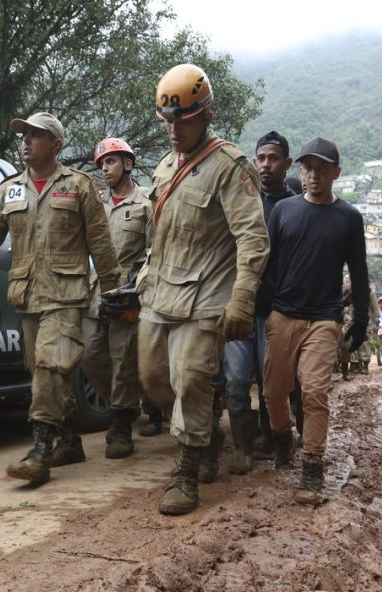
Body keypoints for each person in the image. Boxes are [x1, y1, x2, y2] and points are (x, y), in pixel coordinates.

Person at [0, 113, 120, 486]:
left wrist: (113, 293)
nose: (25, 141)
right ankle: (70, 441)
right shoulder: (10, 190)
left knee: (50, 366)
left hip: (67, 295)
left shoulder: (78, 186)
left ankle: (40, 451)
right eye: (23, 135)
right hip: (28, 296)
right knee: (47, 370)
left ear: (56, 144)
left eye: (35, 136)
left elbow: (101, 244)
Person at [137, 64, 270, 516]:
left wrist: (241, 300)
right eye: (168, 121)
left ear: (206, 116)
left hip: (207, 296)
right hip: (161, 292)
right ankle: (208, 432)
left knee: (191, 379)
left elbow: (253, 239)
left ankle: (186, 472)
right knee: (155, 381)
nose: (174, 130)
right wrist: (141, 276)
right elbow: (159, 233)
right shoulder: (163, 167)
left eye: (184, 120)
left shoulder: (230, 167)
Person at [263, 137, 369, 504]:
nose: (314, 174)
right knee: (274, 393)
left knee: (314, 392)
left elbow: (359, 272)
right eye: (308, 168)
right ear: (301, 171)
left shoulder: (349, 218)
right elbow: (269, 264)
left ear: (336, 173)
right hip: (283, 316)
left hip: (324, 319)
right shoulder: (284, 212)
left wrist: (361, 321)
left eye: (322, 168)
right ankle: (283, 439)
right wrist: (264, 306)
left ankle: (312, 465)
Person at [221, 131, 298, 476]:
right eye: (261, 158)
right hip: (239, 306)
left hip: (275, 311)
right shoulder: (243, 202)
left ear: (287, 164)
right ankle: (242, 446)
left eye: (273, 158)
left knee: (273, 384)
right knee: (236, 379)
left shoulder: (296, 209)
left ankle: (272, 437)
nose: (266, 165)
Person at [79, 137, 154, 459]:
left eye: (110, 162)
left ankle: (121, 425)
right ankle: (127, 402)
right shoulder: (95, 204)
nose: (105, 169)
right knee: (90, 354)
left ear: (127, 164)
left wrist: (141, 287)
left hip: (128, 294)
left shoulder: (146, 204)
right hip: (96, 290)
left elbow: (154, 251)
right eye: (101, 164)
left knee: (123, 358)